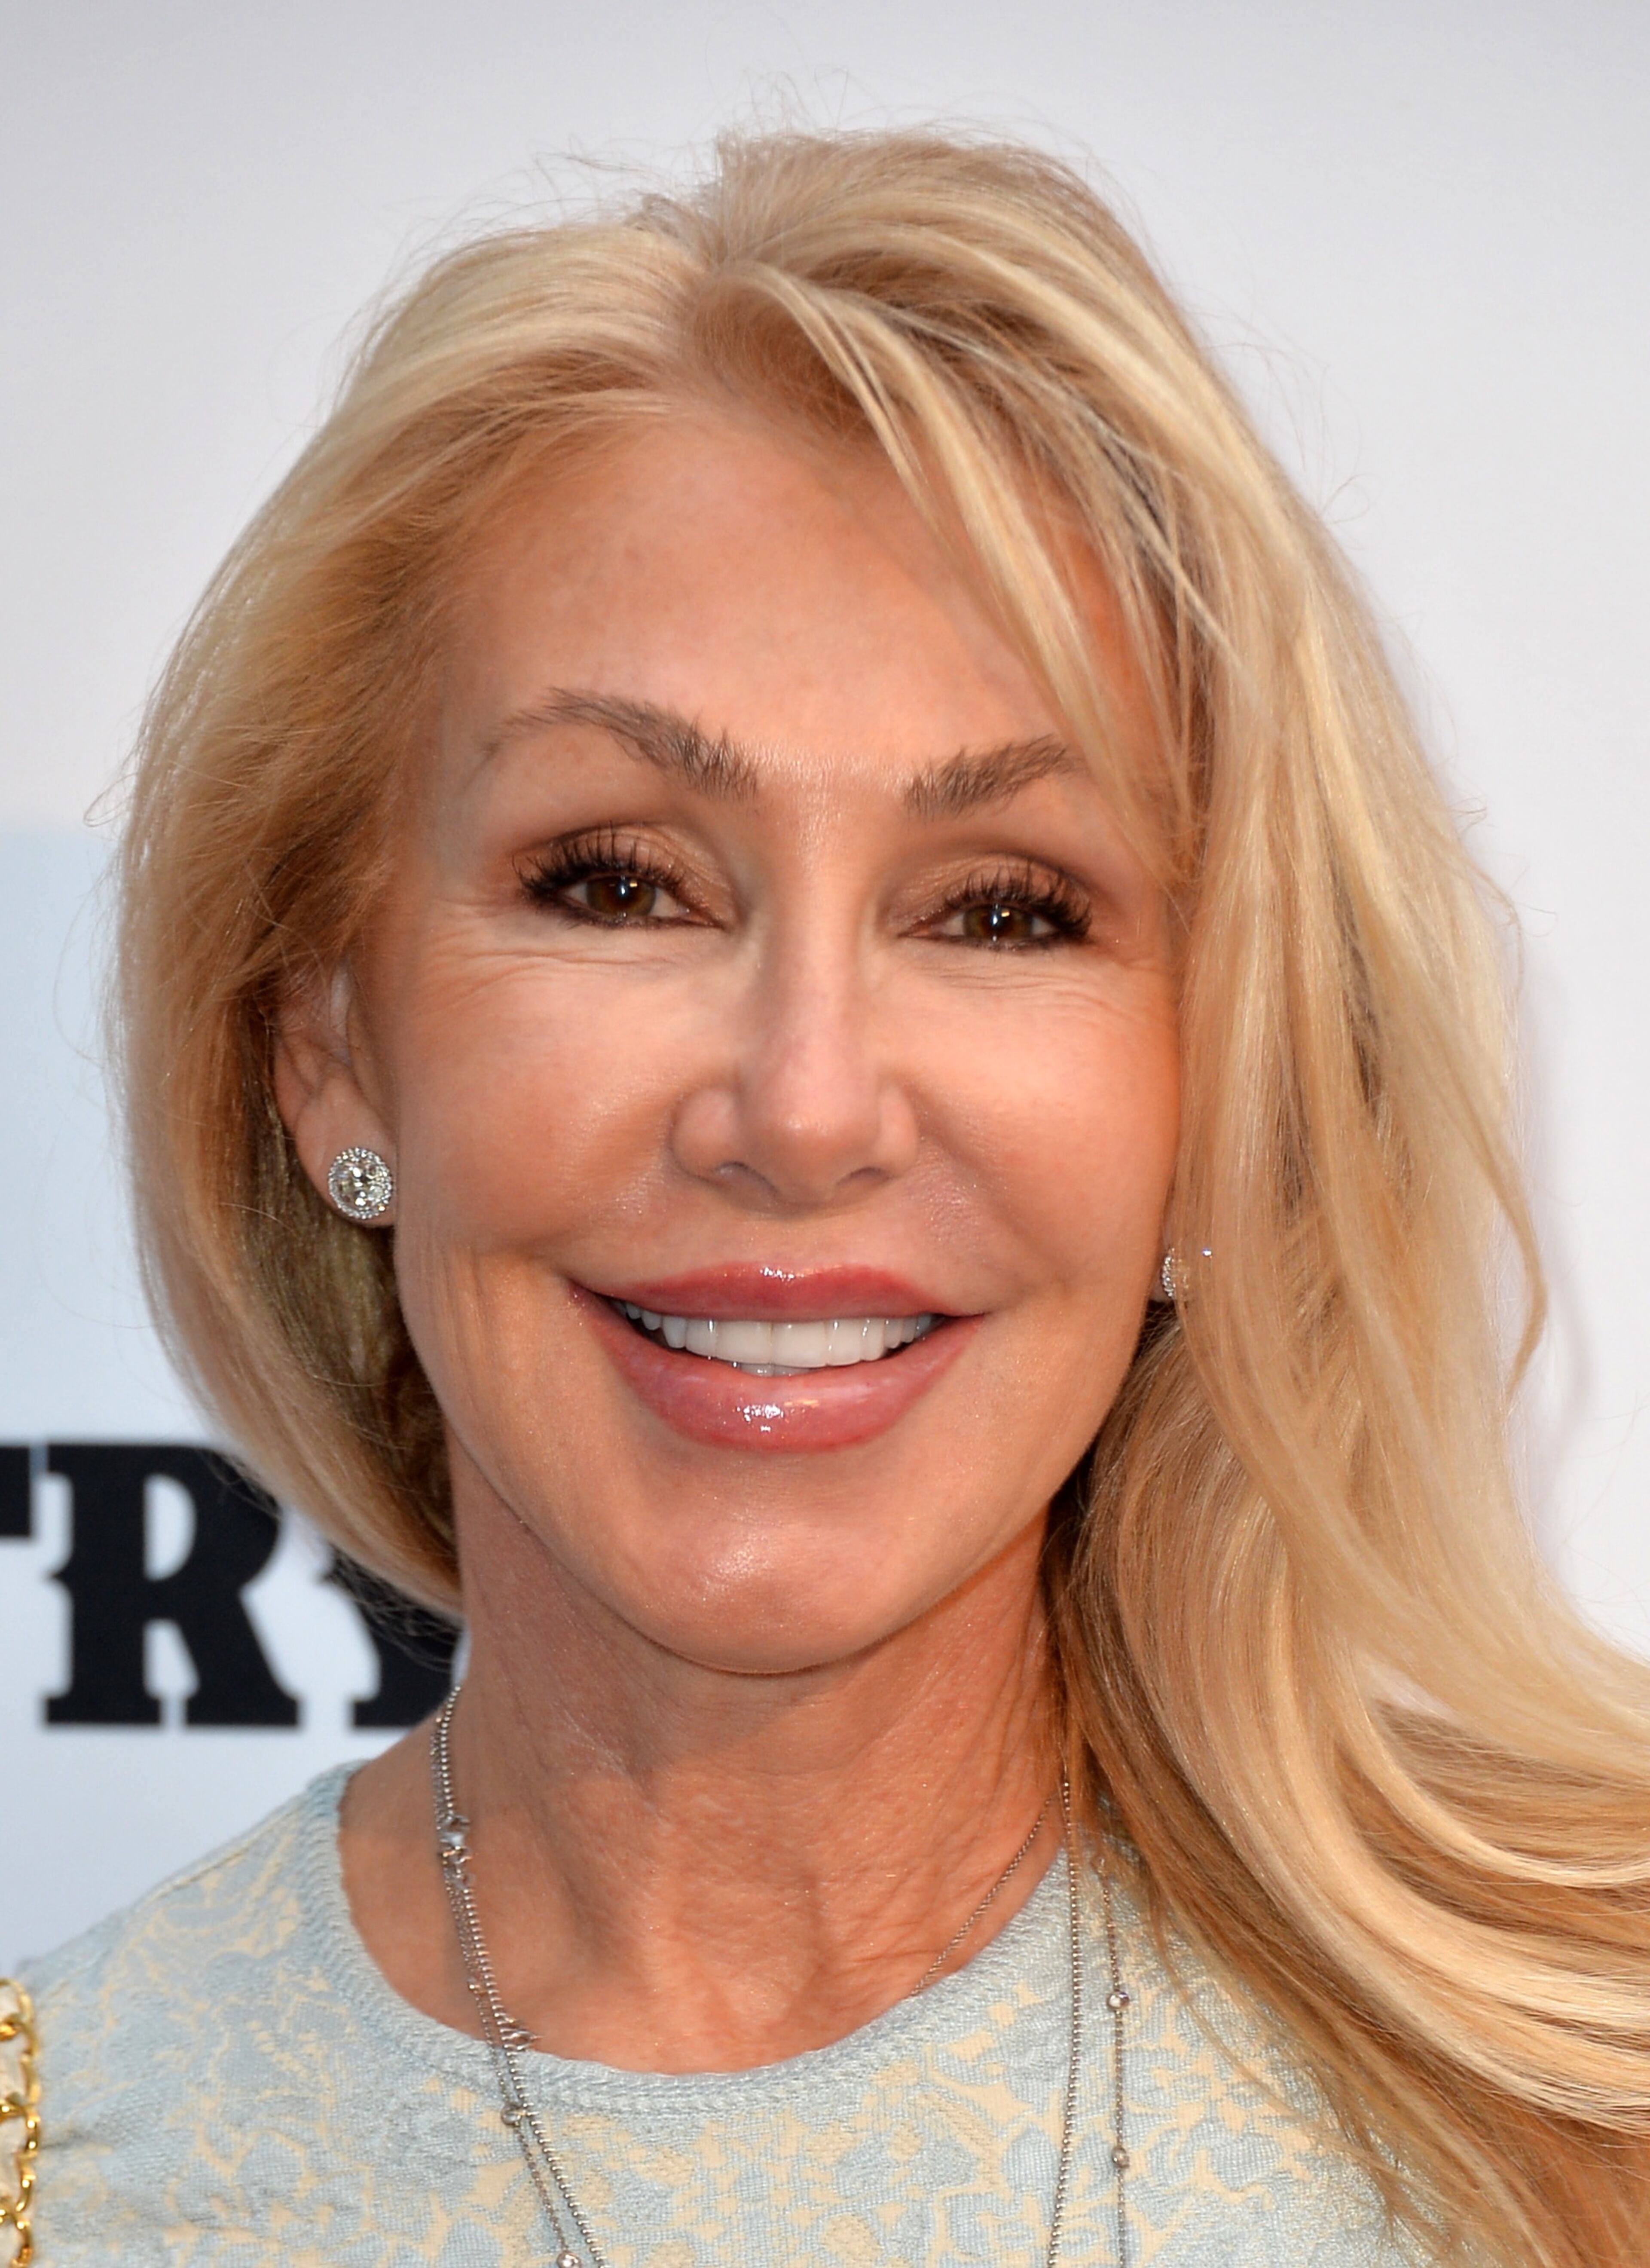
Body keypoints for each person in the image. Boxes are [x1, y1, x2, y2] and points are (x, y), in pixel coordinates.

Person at [7, 128, 1648, 2268]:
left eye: (1002, 908)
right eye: (617, 882)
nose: (801, 1106)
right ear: (330, 1047)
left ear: (1216, 1098)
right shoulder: (73, 2162)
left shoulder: (1593, 2092)